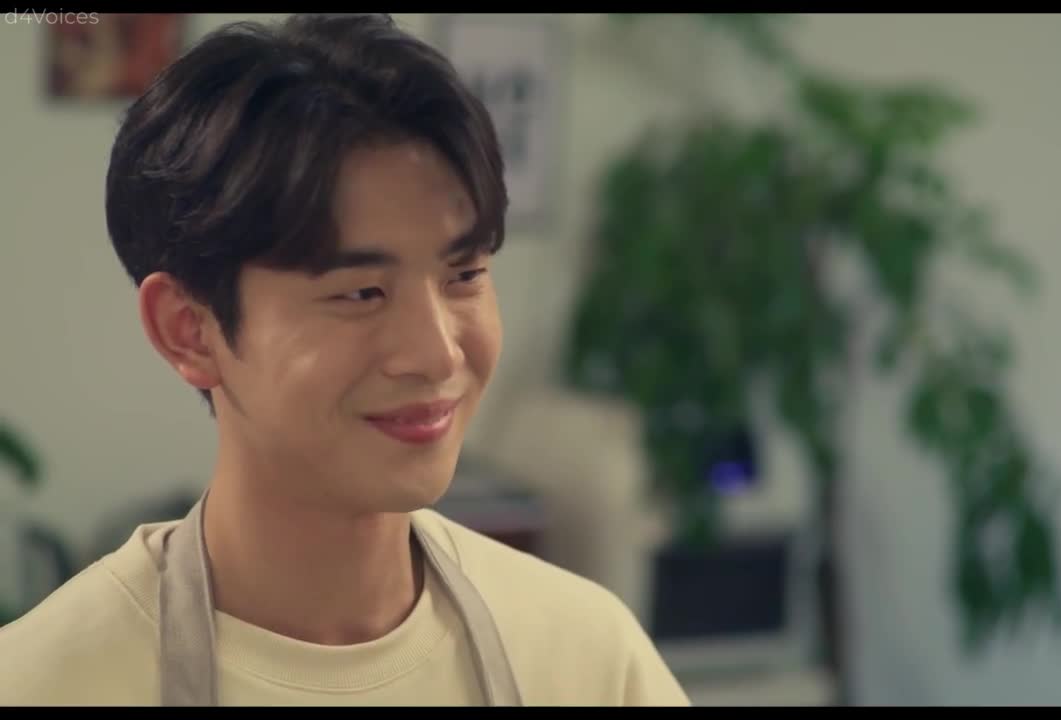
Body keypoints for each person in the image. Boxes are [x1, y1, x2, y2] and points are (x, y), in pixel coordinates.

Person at [0, 13, 690, 707]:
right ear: (189, 331)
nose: (437, 353)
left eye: (465, 276)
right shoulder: (46, 683)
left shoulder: (587, 658)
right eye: (361, 293)